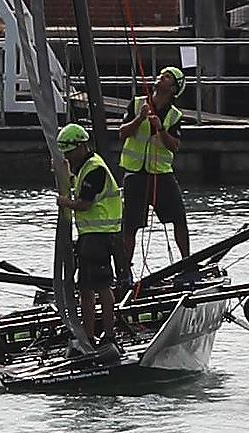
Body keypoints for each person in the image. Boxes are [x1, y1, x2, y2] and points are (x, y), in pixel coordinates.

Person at [55, 123, 123, 346]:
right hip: (90, 235)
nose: (68, 156)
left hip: (100, 235)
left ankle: (109, 334)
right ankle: (89, 334)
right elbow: (82, 187)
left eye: (70, 152)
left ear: (82, 146)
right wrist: (65, 176)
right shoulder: (85, 168)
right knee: (85, 288)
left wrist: (64, 201)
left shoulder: (95, 168)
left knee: (101, 287)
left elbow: (84, 203)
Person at [119, 66, 190, 264]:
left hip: (161, 174)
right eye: (161, 75)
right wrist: (139, 118)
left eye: (167, 77)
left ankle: (187, 262)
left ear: (174, 89)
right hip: (135, 173)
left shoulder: (174, 115)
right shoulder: (137, 103)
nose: (161, 78)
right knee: (130, 226)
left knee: (179, 218)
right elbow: (122, 133)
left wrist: (161, 129)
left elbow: (174, 146)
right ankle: (125, 270)